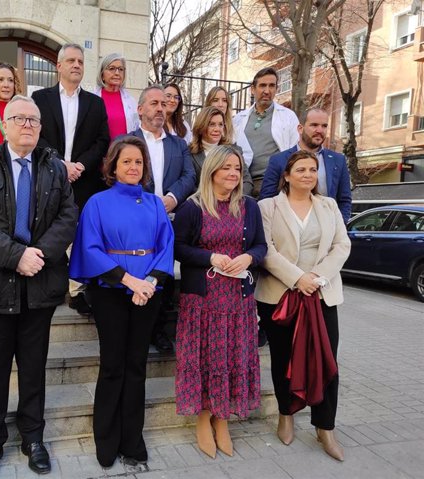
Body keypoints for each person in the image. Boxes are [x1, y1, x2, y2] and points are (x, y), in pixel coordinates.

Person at [0, 95, 79, 478]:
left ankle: (33, 438)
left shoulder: (56, 171)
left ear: (41, 129)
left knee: (33, 367)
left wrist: (37, 254)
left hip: (38, 284)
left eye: (34, 120)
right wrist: (14, 255)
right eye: (19, 118)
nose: (27, 125)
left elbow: (68, 215)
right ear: (5, 125)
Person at [68, 135, 174, 468]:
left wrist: (151, 283)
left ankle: (132, 440)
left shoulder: (156, 204)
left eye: (138, 162)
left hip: (149, 293)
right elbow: (89, 248)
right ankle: (106, 438)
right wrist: (129, 281)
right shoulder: (97, 202)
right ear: (113, 165)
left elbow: (166, 247)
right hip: (111, 291)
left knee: (137, 366)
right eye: (126, 160)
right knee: (113, 366)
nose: (133, 166)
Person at [255, 150, 351, 462]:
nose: (308, 175)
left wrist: (317, 277)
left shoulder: (329, 205)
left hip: (322, 294)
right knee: (283, 360)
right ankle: (285, 414)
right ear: (286, 175)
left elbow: (342, 245)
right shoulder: (267, 207)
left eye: (313, 169)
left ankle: (326, 428)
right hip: (281, 295)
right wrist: (298, 279)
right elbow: (265, 250)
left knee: (326, 361)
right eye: (300, 169)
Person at [173, 145, 266, 458]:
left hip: (238, 302)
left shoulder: (249, 207)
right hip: (203, 302)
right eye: (226, 167)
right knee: (205, 361)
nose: (232, 174)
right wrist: (210, 256)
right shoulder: (192, 208)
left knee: (232, 359)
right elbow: (178, 248)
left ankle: (222, 419)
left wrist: (247, 257)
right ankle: (203, 419)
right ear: (211, 170)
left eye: (237, 168)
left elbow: (261, 246)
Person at [32, 42, 110, 317]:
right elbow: (36, 136)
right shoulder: (40, 99)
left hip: (84, 180)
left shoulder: (95, 103)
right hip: (48, 178)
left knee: (82, 236)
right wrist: (59, 163)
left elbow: (103, 140)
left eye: (80, 61)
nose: (76, 65)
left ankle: (79, 292)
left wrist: (79, 165)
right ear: (59, 66)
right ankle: (54, 286)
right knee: (49, 232)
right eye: (71, 61)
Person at [129, 84, 196, 353]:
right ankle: (138, 331)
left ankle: (158, 331)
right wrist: (147, 203)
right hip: (138, 220)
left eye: (163, 103)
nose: (160, 108)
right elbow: (118, 175)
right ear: (140, 109)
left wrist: (172, 197)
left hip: (170, 218)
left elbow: (189, 176)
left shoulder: (178, 144)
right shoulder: (127, 142)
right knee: (140, 273)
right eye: (154, 103)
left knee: (164, 275)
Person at [260, 107, 352, 223]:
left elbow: (344, 200)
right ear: (300, 128)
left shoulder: (338, 160)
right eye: (314, 125)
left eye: (324, 126)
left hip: (326, 231)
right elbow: (267, 199)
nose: (320, 130)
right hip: (287, 230)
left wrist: (338, 225)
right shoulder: (279, 160)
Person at [232, 67, 299, 199]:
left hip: (274, 184)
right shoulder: (239, 119)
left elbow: (295, 152)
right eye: (262, 85)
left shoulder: (288, 117)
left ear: (276, 89)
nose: (267, 91)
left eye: (271, 86)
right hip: (243, 183)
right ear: (253, 89)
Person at [189, 106, 253, 194]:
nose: (217, 129)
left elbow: (247, 181)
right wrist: (213, 199)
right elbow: (190, 185)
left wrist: (232, 199)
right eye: (211, 124)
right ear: (201, 126)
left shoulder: (234, 150)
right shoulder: (189, 152)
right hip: (202, 203)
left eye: (220, 124)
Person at [94, 53, 140, 138]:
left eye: (121, 69)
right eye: (112, 69)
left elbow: (137, 128)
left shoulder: (131, 101)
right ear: (102, 74)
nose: (117, 73)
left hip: (125, 150)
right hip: (100, 150)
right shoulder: (93, 99)